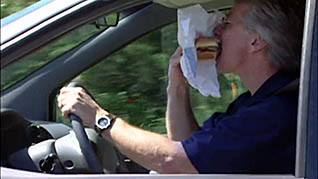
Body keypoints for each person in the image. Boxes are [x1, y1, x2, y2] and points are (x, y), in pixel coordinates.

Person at [58, 0, 305, 174]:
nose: (217, 29)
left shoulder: (273, 114)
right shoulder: (253, 103)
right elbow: (189, 149)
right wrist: (177, 84)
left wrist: (100, 118)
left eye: (227, 23)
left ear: (257, 41)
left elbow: (171, 159)